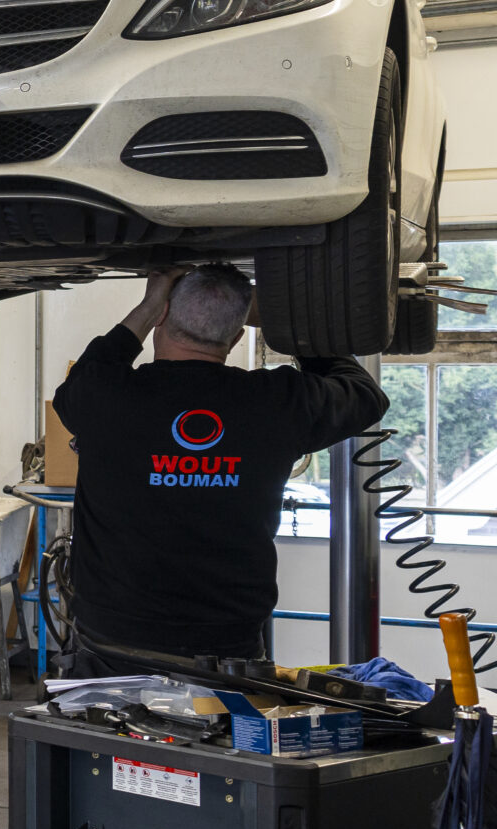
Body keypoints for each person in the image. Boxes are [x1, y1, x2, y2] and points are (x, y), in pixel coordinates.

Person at [53, 265, 387, 669]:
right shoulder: (276, 402)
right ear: (237, 337)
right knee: (221, 734)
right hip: (227, 650)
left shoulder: (104, 396)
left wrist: (148, 304)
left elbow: (87, 374)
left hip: (110, 644)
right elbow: (366, 395)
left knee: (98, 733)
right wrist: (288, 320)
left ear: (162, 318)